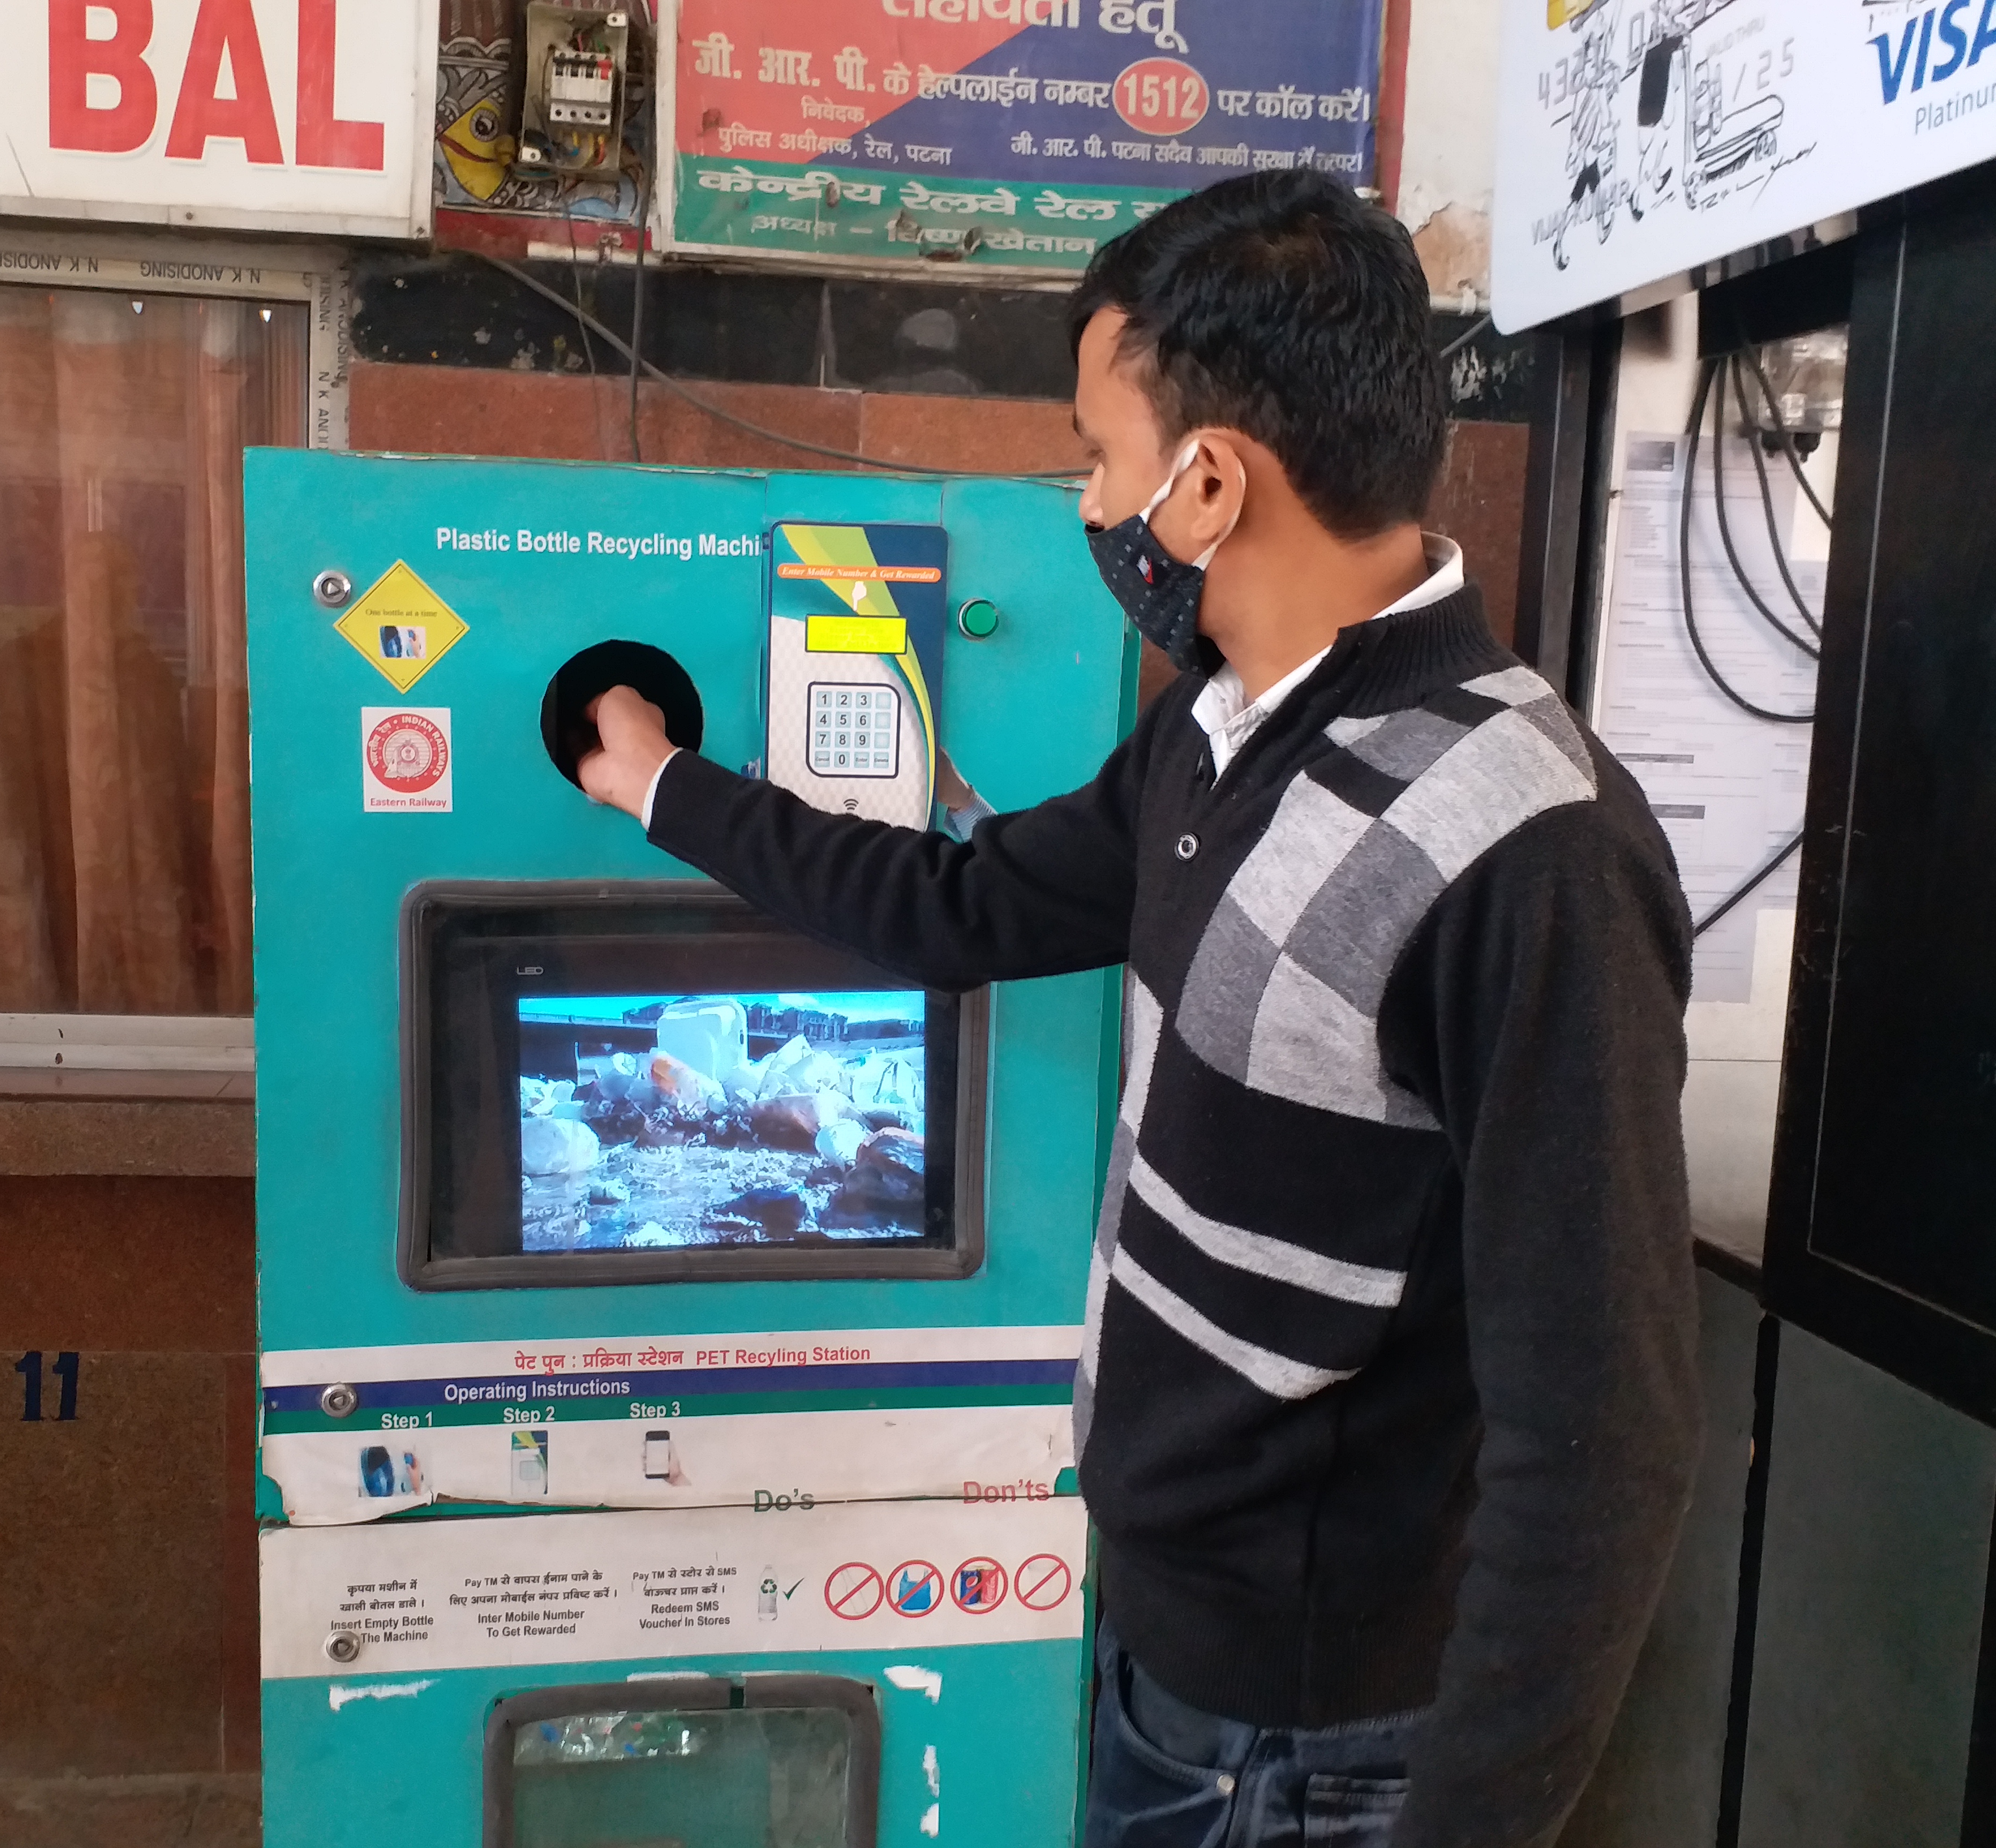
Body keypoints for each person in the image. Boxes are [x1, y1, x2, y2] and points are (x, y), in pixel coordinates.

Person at [577, 171, 1698, 1848]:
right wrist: (670, 790)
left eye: (1100, 460)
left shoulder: (1530, 857)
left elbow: (1604, 1441)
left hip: (1329, 1744)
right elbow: (964, 907)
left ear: (1212, 480)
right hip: (1167, 1656)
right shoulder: (1218, 736)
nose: (1089, 504)